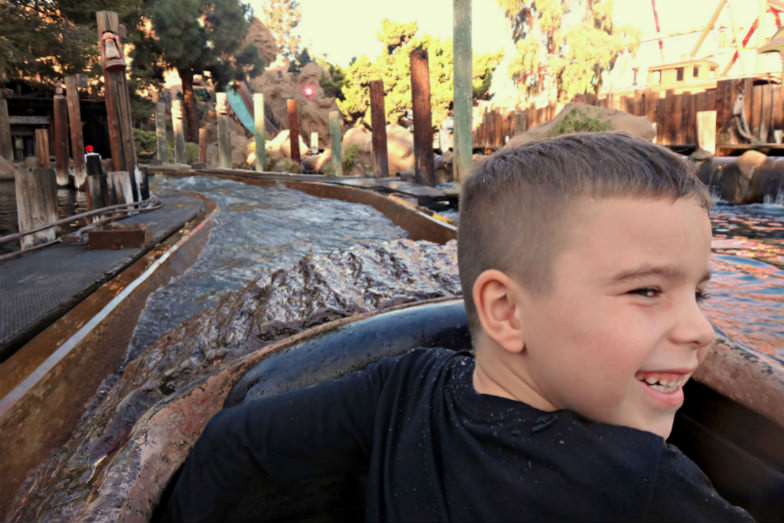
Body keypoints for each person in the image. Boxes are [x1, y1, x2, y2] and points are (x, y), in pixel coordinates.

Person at [161, 132, 753, 522]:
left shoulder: (405, 388)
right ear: (505, 311)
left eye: (697, 291)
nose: (700, 329)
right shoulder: (649, 484)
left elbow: (230, 443)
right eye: (647, 290)